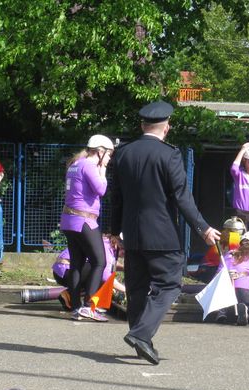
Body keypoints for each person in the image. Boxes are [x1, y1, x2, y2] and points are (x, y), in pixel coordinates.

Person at [110, 100, 220, 365]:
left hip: (132, 235)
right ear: (166, 127)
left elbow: (116, 197)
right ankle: (141, 334)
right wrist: (203, 228)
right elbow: (182, 197)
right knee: (169, 284)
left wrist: (114, 231)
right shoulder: (169, 155)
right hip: (162, 235)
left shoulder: (123, 153)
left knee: (137, 288)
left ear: (142, 125)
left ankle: (141, 340)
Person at [60, 134, 114, 322]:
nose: (109, 159)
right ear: (100, 151)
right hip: (84, 220)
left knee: (77, 263)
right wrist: (103, 170)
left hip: (69, 220)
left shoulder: (75, 164)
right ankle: (89, 306)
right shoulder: (90, 166)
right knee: (100, 262)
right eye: (108, 154)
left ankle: (76, 307)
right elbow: (101, 190)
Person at [52, 235, 124, 310]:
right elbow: (106, 277)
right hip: (66, 271)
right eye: (124, 251)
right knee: (98, 275)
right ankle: (88, 305)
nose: (125, 255)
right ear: (117, 244)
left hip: (63, 270)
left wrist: (123, 268)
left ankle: (68, 295)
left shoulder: (106, 243)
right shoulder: (106, 248)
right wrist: (127, 290)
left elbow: (109, 263)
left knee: (98, 271)